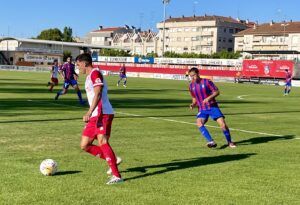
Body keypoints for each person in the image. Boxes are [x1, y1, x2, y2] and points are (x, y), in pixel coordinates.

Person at [76, 53, 123, 185]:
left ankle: (117, 176)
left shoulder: (95, 73)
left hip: (102, 113)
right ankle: (113, 159)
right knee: (84, 145)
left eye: (78, 64)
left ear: (85, 63)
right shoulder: (89, 76)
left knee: (102, 141)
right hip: (96, 115)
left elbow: (98, 92)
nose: (78, 67)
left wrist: (89, 112)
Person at [188, 67, 236, 148]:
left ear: (198, 74)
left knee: (223, 125)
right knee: (199, 123)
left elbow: (217, 92)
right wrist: (193, 104)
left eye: (194, 75)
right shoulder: (191, 86)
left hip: (212, 106)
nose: (192, 77)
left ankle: (229, 142)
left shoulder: (207, 82)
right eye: (190, 76)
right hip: (202, 109)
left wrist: (208, 98)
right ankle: (211, 141)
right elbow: (194, 98)